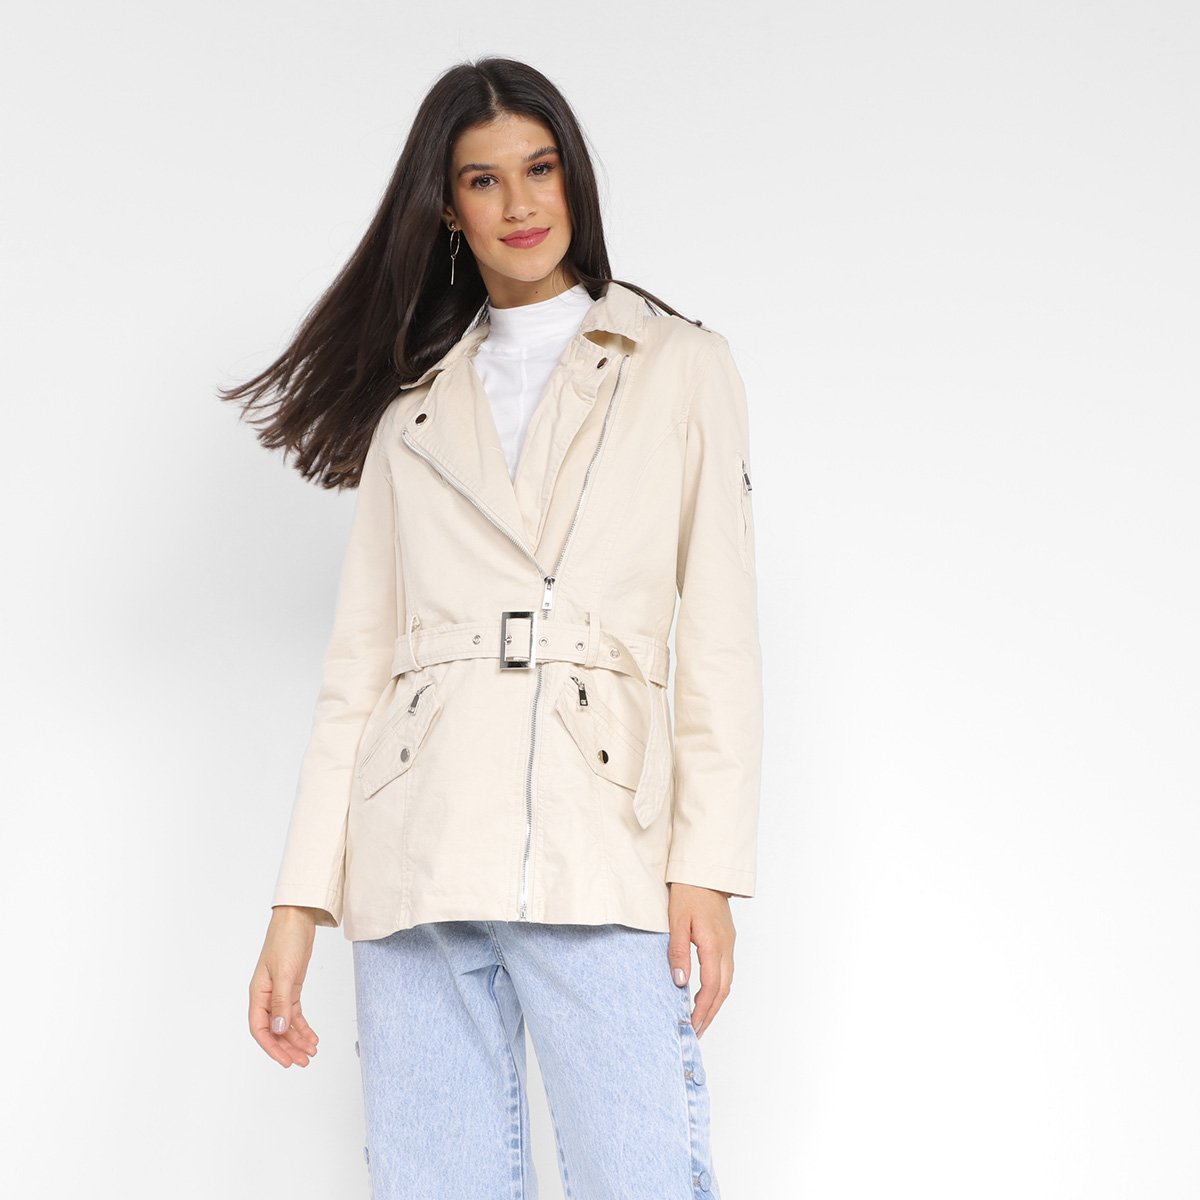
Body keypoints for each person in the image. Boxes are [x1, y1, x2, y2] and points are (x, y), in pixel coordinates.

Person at [222, 55, 763, 1199]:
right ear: (447, 208)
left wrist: (708, 870)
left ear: (574, 179)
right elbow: (358, 667)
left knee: (642, 1177)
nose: (520, 203)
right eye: (483, 179)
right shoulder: (412, 403)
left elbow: (719, 638)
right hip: (416, 847)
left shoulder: (681, 366)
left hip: (601, 838)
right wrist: (297, 904)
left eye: (540, 168)